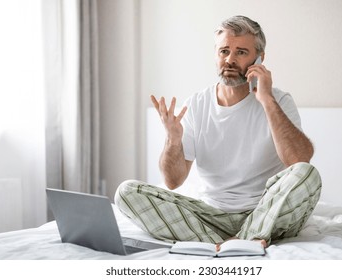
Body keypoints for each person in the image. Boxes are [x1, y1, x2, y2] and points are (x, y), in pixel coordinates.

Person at [115, 15, 321, 248]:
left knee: (307, 174)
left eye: (241, 52)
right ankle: (229, 243)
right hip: (211, 216)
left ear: (259, 59)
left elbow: (299, 160)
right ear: (216, 54)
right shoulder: (196, 104)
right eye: (224, 51)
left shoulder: (279, 101)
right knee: (126, 192)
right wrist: (173, 140)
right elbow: (173, 181)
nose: (230, 59)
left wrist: (266, 99)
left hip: (267, 212)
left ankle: (240, 239)